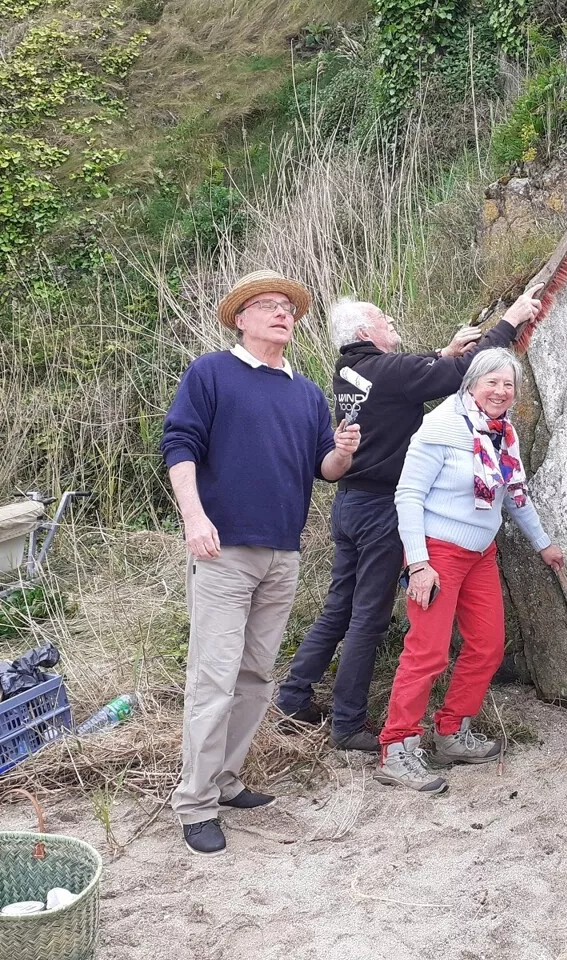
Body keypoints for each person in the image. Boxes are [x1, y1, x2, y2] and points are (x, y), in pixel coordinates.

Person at [275, 288, 542, 751]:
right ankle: (348, 723)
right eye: (383, 318)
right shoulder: (389, 371)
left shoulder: (349, 370)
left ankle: (293, 696)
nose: (391, 320)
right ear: (365, 333)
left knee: (339, 607)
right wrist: (511, 319)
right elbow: (460, 374)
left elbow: (411, 374)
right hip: (382, 507)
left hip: (350, 503)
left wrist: (439, 353)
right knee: (369, 619)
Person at [161, 269, 360, 857]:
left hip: (283, 554)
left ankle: (226, 780)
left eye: (287, 308)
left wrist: (342, 453)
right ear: (240, 319)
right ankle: (194, 803)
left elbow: (323, 471)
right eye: (267, 306)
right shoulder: (211, 372)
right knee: (214, 678)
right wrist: (195, 519)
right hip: (222, 550)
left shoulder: (306, 394)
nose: (282, 314)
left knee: (253, 678)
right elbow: (179, 446)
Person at [375, 348, 564, 793]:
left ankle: (451, 732)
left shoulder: (503, 433)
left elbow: (515, 495)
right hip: (437, 553)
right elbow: (408, 496)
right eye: (491, 382)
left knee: (487, 645)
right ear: (471, 384)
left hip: (480, 553)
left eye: (508, 385)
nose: (500, 391)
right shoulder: (441, 427)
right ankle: (396, 747)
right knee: (428, 652)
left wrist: (544, 544)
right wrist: (418, 564)